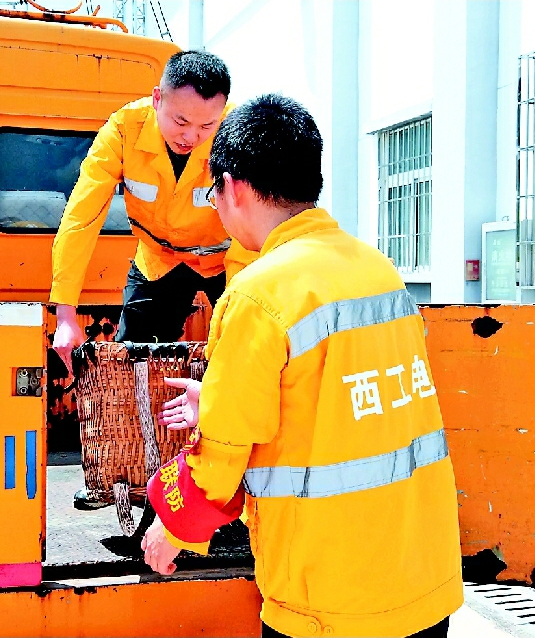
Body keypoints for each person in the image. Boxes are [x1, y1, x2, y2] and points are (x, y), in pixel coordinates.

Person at [142, 95, 463, 637]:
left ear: (234, 188)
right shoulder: (379, 271)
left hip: (330, 601)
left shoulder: (258, 294)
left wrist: (173, 529)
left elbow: (222, 454)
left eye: (212, 192)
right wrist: (217, 398)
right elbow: (346, 404)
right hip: (423, 582)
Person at [49, 50, 251, 510]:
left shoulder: (236, 132)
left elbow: (250, 214)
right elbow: (81, 217)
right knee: (127, 363)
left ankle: (238, 485)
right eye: (180, 121)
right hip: (159, 261)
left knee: (244, 359)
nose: (192, 136)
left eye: (207, 125)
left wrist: (239, 310)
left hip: (230, 260)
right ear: (157, 98)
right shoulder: (123, 130)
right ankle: (116, 476)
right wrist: (65, 313)